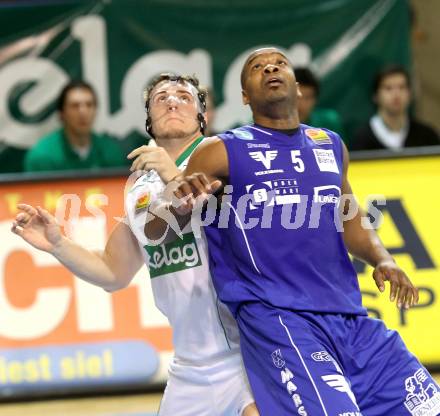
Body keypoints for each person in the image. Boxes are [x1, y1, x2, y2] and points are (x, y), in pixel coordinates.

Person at [150, 48, 440, 415]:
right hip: (280, 320)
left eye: (279, 63)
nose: (270, 67)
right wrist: (178, 198)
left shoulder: (330, 145)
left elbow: (350, 219)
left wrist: (383, 258)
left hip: (349, 315)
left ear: (298, 87)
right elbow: (163, 222)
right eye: (257, 68)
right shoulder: (220, 149)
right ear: (245, 95)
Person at [12, 73, 257, 416]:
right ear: (148, 120)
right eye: (161, 98)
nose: (172, 101)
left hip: (247, 356)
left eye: (184, 97)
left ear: (203, 115)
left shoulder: (223, 156)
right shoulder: (140, 185)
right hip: (190, 367)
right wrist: (58, 244)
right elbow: (114, 271)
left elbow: (195, 209)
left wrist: (172, 174)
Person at [24, 80, 127, 172]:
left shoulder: (110, 152)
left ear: (96, 111)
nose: (83, 112)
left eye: (89, 105)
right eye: (75, 106)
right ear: (61, 114)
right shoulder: (42, 156)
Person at [353, 65, 440, 150]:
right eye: (388, 88)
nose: (396, 94)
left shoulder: (427, 136)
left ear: (410, 94)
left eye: (402, 87)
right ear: (375, 96)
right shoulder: (362, 139)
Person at [295, 67, 346, 141]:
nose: (301, 104)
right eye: (297, 97)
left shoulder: (329, 121)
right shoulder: (275, 125)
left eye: (308, 97)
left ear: (316, 99)